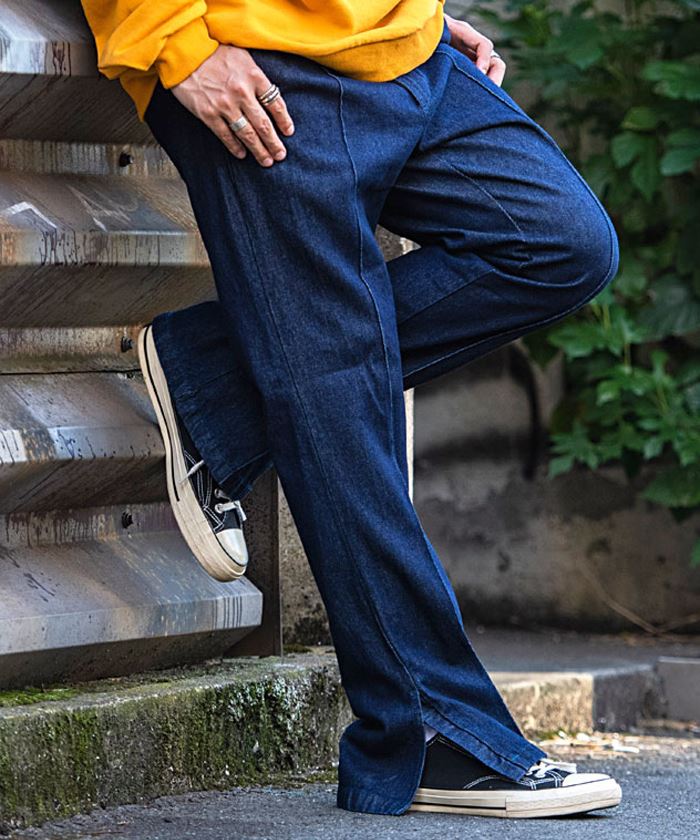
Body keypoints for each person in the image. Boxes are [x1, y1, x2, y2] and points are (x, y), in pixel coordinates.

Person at [82, 0, 622, 819]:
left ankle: (216, 383)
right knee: (338, 385)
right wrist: (176, 42)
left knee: (560, 241)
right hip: (258, 60)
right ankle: (432, 730)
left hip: (401, 46)